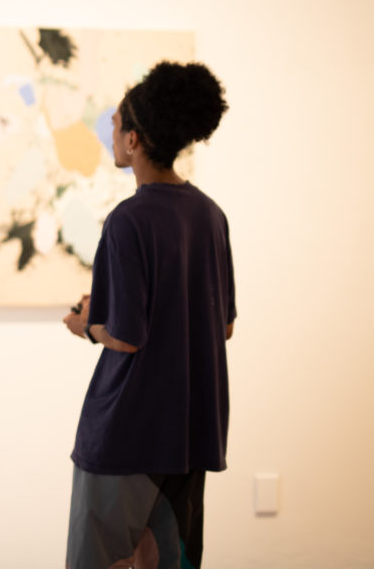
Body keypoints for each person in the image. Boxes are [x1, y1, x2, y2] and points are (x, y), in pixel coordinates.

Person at [62, 61, 235, 569]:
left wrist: (86, 325)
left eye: (114, 124)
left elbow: (126, 336)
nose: (110, 133)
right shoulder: (209, 214)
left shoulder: (128, 220)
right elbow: (222, 325)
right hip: (190, 431)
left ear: (134, 139)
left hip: (126, 433)